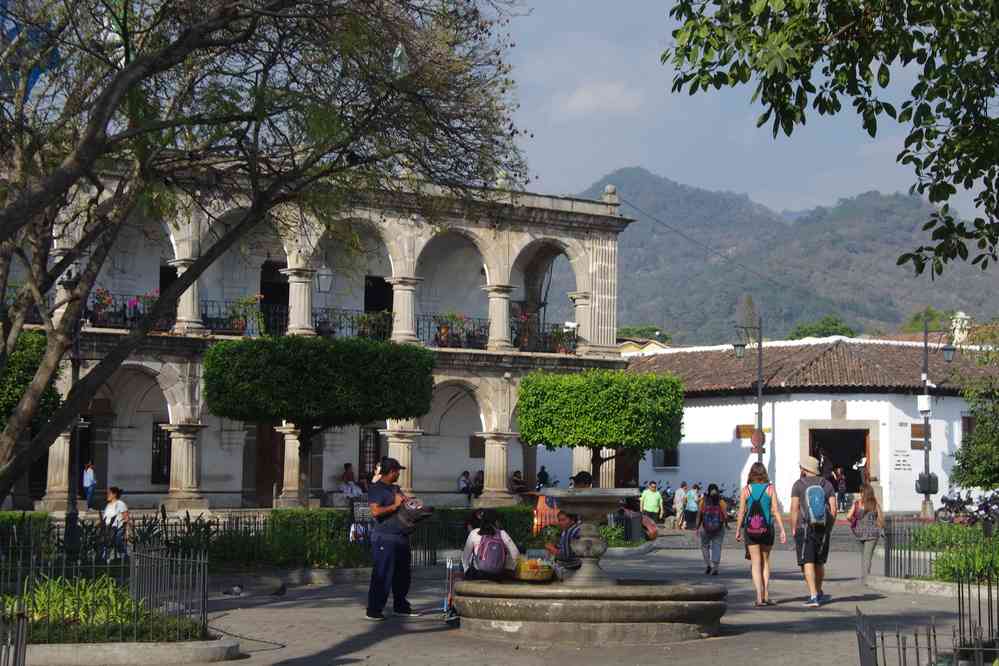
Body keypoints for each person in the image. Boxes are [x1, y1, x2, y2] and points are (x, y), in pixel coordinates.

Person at [365, 457, 418, 621]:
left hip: (400, 536)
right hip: (384, 537)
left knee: (403, 574)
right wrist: (395, 505)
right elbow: (375, 512)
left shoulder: (396, 488)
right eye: (397, 471)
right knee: (382, 574)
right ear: (391, 472)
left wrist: (412, 504)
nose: (398, 475)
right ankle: (374, 609)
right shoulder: (376, 488)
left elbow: (405, 504)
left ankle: (401, 606)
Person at [735, 462, 787, 606]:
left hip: (750, 530)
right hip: (767, 529)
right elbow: (775, 511)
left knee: (755, 563)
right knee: (765, 562)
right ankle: (766, 596)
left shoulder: (746, 490)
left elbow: (741, 512)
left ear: (751, 474)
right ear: (764, 473)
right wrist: (782, 529)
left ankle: (758, 597)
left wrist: (738, 529)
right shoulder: (770, 489)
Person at [789, 455, 838, 608]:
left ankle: (813, 596)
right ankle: (818, 591)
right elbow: (834, 509)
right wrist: (829, 526)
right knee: (819, 562)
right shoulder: (827, 484)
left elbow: (794, 508)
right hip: (822, 528)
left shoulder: (798, 484)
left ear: (805, 469)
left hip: (805, 528)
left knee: (807, 561)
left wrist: (793, 527)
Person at [461, 509, 521, 581]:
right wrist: (508, 568)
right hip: (498, 576)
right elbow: (516, 554)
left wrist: (466, 571)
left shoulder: (474, 533)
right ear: (496, 521)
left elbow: (465, 557)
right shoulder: (502, 534)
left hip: (478, 575)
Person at [847, 484, 885, 579]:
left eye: (861, 492)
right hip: (872, 534)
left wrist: (855, 522)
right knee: (867, 556)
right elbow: (880, 519)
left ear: (864, 493)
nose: (860, 494)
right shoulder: (874, 504)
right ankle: (866, 577)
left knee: (864, 556)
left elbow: (848, 516)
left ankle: (865, 575)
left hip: (859, 533)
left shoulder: (857, 504)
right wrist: (880, 529)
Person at [696, 484, 729, 575]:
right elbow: (725, 515)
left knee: (704, 546)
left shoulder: (703, 501)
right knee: (717, 546)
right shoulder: (721, 501)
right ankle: (715, 568)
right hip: (719, 528)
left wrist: (697, 527)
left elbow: (699, 515)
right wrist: (726, 524)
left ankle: (708, 565)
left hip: (705, 528)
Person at [103, 486, 129, 559]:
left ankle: (124, 557)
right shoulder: (108, 505)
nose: (107, 495)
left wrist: (126, 531)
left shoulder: (120, 504)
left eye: (109, 493)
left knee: (117, 543)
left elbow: (126, 517)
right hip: (108, 529)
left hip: (117, 529)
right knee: (107, 544)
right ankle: (106, 560)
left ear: (114, 494)